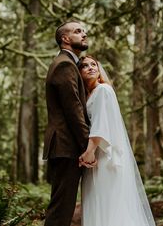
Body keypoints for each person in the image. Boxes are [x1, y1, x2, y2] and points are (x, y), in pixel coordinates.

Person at [79, 55, 156, 226]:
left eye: (94, 65)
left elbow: (101, 124)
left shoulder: (103, 90)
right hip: (95, 153)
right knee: (96, 199)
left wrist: (89, 152)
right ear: (79, 72)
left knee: (108, 201)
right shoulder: (88, 95)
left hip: (104, 155)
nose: (91, 67)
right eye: (85, 66)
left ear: (99, 71)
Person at [43, 21, 95, 226]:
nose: (84, 34)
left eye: (84, 31)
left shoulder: (68, 63)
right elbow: (73, 110)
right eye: (77, 31)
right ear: (65, 39)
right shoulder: (64, 64)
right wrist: (87, 147)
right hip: (66, 145)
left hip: (65, 145)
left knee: (62, 207)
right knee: (61, 210)